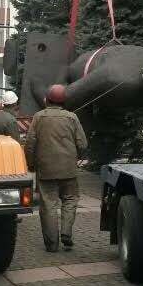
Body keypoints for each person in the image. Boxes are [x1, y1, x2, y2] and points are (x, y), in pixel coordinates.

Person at [24, 84, 88, 252]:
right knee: (70, 199)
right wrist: (79, 157)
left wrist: (31, 164)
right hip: (68, 169)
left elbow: (30, 144)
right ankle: (66, 232)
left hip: (46, 170)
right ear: (64, 101)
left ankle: (52, 244)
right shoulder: (72, 117)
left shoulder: (38, 117)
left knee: (49, 205)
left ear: (47, 100)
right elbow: (83, 144)